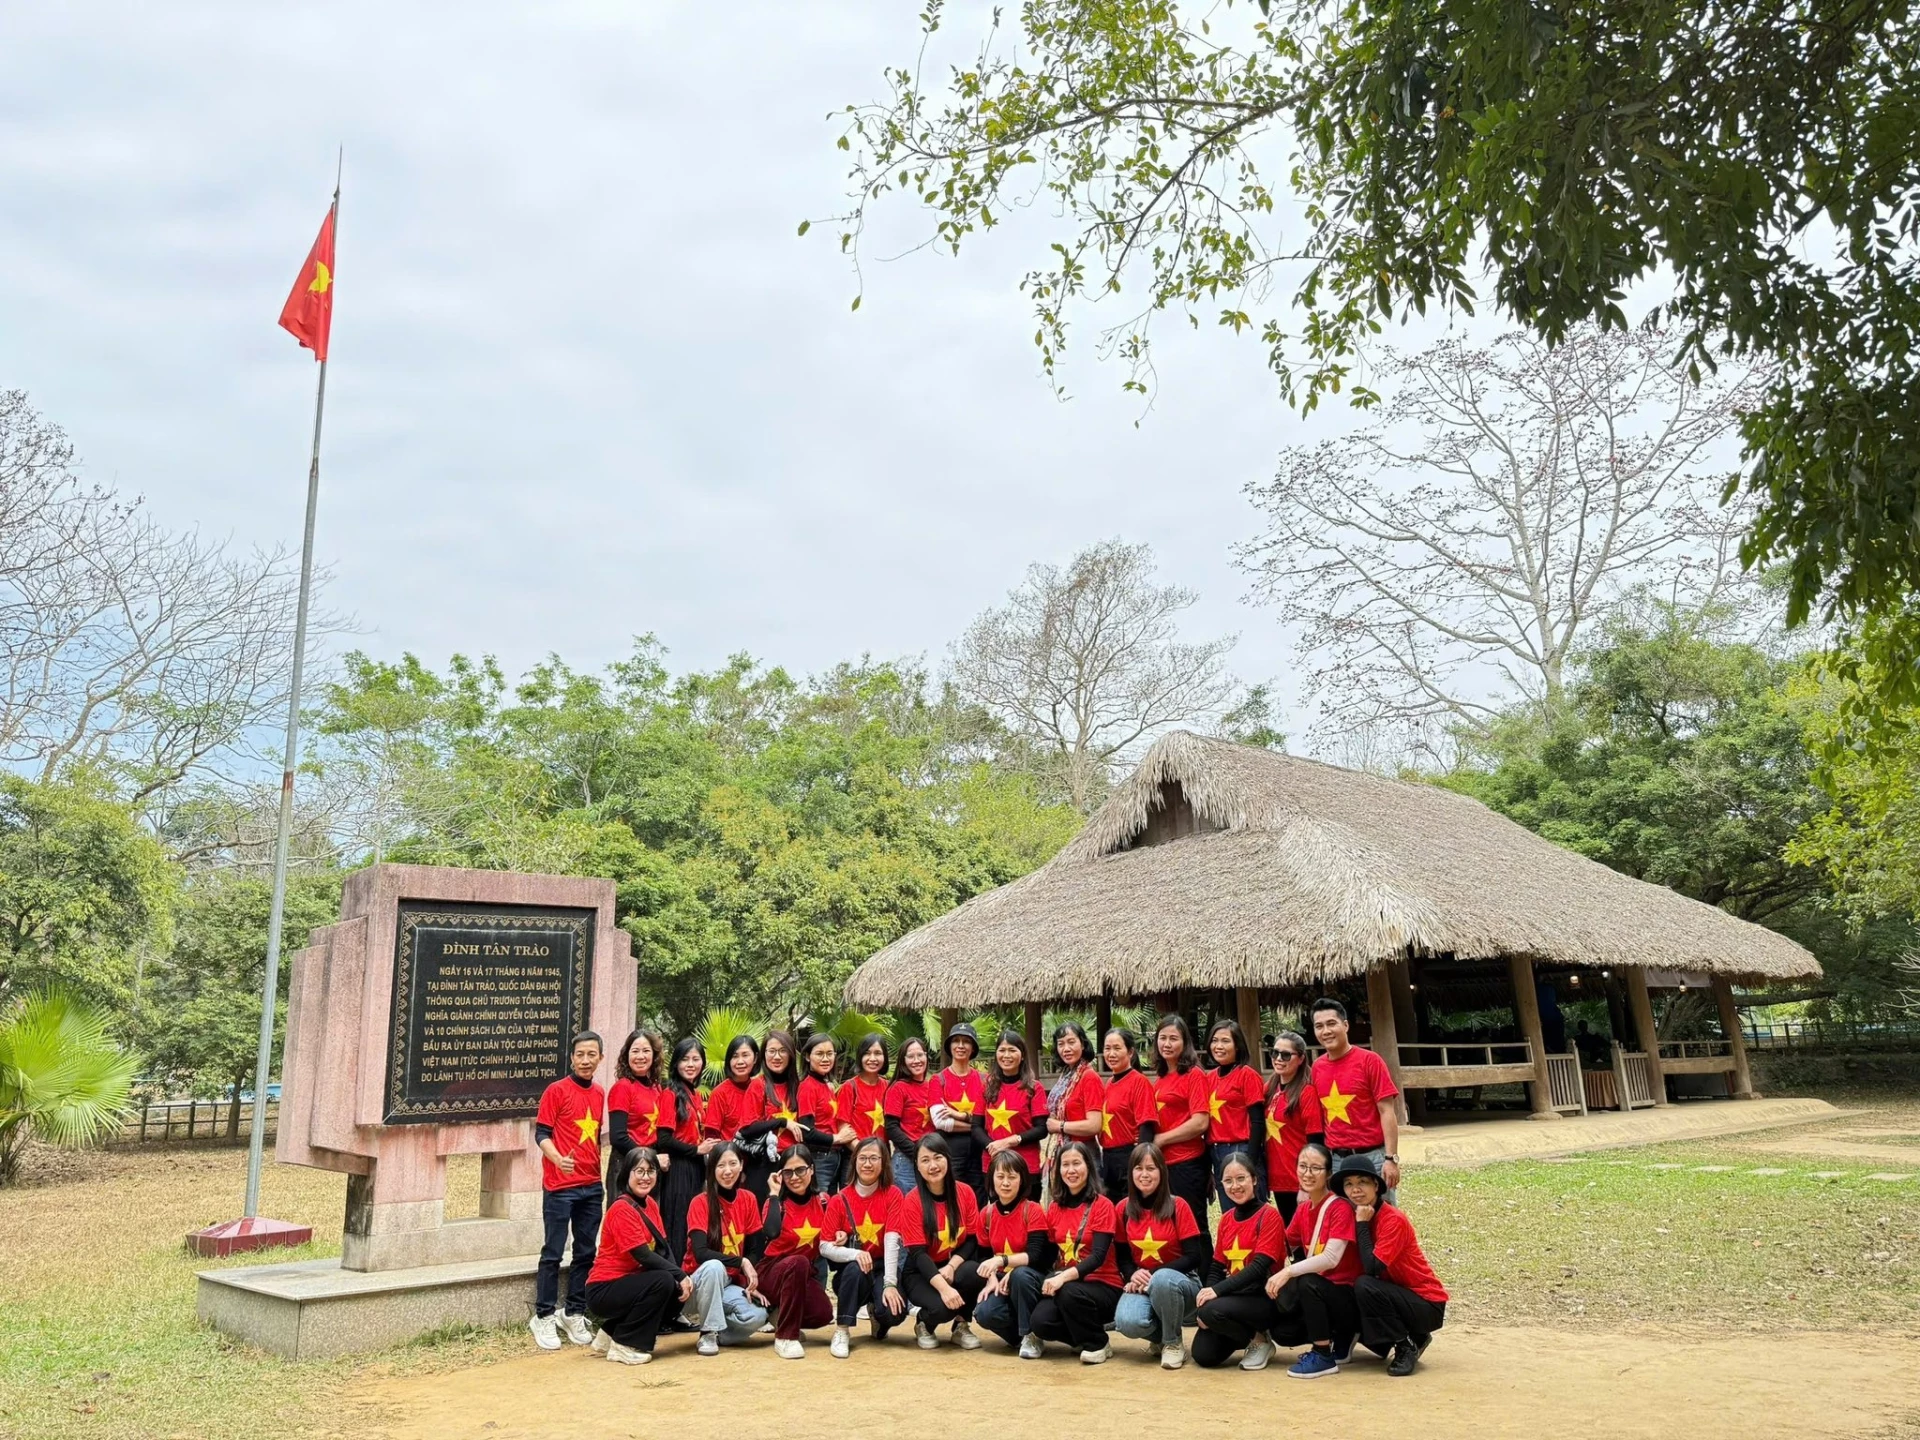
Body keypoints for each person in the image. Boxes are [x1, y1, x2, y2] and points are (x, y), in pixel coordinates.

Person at [1337, 1153, 1448, 1376]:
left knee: (1364, 1284)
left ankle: (1405, 1345)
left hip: (1426, 1303)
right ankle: (1414, 1337)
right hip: (1396, 1294)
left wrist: (1361, 1225)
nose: (1355, 1189)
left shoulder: (1392, 1219)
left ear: (1376, 1185)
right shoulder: (1353, 1214)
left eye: (1362, 1182)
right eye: (1348, 1184)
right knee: (1347, 1294)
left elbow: (1372, 1268)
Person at [530, 1030, 606, 1350]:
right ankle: (543, 1315)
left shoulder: (601, 1093)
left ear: (600, 1058)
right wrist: (558, 1159)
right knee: (553, 1252)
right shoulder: (556, 1091)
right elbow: (541, 1133)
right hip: (560, 1187)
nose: (585, 1060)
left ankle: (573, 1311)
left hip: (591, 1186)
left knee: (586, 1252)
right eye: (580, 1055)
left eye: (592, 1054)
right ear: (572, 1058)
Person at [585, 1147, 690, 1364]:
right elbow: (642, 1254)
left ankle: (611, 1333)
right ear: (627, 1175)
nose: (645, 1177)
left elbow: (662, 1247)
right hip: (603, 1288)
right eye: (639, 1171)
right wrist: (677, 1274)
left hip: (628, 1283)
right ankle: (623, 1345)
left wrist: (681, 1279)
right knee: (663, 1281)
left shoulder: (650, 1204)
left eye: (650, 1171)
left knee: (671, 1286)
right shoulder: (621, 1208)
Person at [1268, 1141, 1361, 1378]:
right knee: (1283, 1332)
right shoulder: (1303, 1209)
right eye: (1302, 1166)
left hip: (1346, 1296)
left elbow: (1330, 1258)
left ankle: (1323, 1354)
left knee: (1306, 1281)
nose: (1307, 1174)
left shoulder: (1340, 1208)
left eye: (1316, 1168)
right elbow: (1283, 1243)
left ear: (1329, 1174)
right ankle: (1338, 1337)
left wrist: (1288, 1272)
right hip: (1324, 1295)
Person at [1112, 1143, 1208, 1369]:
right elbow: (1123, 1256)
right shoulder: (1123, 1209)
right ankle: (1163, 1337)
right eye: (1138, 1168)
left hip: (1182, 1284)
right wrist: (1132, 1276)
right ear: (1131, 1172)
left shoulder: (1178, 1205)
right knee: (1126, 1322)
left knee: (1163, 1278)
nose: (1144, 1174)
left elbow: (1194, 1256)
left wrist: (1152, 1275)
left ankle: (1174, 1344)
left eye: (1151, 1168)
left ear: (1162, 1172)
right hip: (1142, 1284)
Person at [1027, 1140, 1123, 1363]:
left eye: (1076, 1163)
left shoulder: (1103, 1205)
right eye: (1065, 1164)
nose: (1071, 1170)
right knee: (1040, 1323)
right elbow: (1048, 1256)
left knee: (1068, 1292)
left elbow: (1098, 1257)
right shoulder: (1054, 1208)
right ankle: (1086, 1335)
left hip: (1103, 1286)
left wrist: (1062, 1278)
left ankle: (1097, 1344)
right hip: (1066, 1287)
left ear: (1088, 1166)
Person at [1189, 1151, 1287, 1370]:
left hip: (1262, 1298)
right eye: (1228, 1180)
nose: (1235, 1186)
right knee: (1203, 1355)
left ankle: (1261, 1340)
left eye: (1241, 1178)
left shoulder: (1269, 1215)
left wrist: (1215, 1295)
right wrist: (1206, 1297)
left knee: (1211, 1311)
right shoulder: (1226, 1219)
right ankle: (1247, 1336)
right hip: (1233, 1299)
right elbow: (1216, 1266)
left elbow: (1260, 1267)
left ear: (1254, 1179)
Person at [894, 1134, 985, 1349]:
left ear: (947, 1158)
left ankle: (961, 1326)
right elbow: (917, 1253)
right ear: (916, 1165)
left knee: (975, 1271)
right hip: (920, 1270)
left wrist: (952, 1267)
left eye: (937, 1157)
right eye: (925, 1160)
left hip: (952, 1264)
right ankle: (924, 1324)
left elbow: (972, 1239)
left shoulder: (965, 1192)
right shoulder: (913, 1200)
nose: (933, 1165)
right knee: (943, 1308)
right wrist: (944, 1289)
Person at [821, 1135, 907, 1358]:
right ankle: (842, 1329)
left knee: (894, 1311)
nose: (867, 1164)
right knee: (856, 1268)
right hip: (852, 1273)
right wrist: (855, 1253)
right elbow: (824, 1246)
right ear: (854, 1161)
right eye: (862, 1158)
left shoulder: (893, 1194)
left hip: (882, 1267)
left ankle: (879, 1316)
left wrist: (889, 1283)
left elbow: (891, 1241)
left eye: (874, 1158)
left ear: (884, 1162)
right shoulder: (840, 1199)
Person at [680, 1142, 770, 1354]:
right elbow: (701, 1253)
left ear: (741, 1166)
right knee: (714, 1267)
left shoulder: (748, 1199)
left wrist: (750, 1280)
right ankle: (707, 1333)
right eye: (721, 1165)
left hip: (729, 1283)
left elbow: (755, 1249)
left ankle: (721, 1334)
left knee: (757, 1316)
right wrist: (742, 1262)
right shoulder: (699, 1202)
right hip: (695, 1286)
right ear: (712, 1169)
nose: (727, 1171)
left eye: (733, 1164)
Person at [1309, 997, 1402, 1202]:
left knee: (1381, 1219)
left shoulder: (1370, 1061)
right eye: (1319, 1026)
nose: (1326, 1031)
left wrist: (1391, 1158)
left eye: (1331, 1023)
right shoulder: (1317, 1067)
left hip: (1374, 1157)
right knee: (1344, 1223)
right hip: (1337, 1160)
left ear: (1345, 1025)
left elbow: (1387, 1111)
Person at [757, 1144, 835, 1358]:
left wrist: (841, 1236)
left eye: (800, 1170)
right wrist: (773, 1193)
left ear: (811, 1169)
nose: (795, 1177)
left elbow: (833, 1237)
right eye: (788, 1172)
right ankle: (785, 1336)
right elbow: (771, 1232)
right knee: (798, 1261)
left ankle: (778, 1315)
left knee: (823, 1314)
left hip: (802, 1273)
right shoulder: (776, 1203)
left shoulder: (824, 1201)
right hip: (771, 1273)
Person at [969, 1150, 1051, 1352]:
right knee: (983, 1313)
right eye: (1000, 1176)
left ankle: (1031, 1336)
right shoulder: (986, 1214)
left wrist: (1003, 1263)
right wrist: (991, 1280)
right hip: (1002, 1280)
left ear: (1022, 1180)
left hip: (1031, 1278)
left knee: (1021, 1276)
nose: (1006, 1183)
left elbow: (1036, 1256)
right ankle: (1019, 1336)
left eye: (1012, 1177)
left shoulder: (1032, 1210)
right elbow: (983, 1256)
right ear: (992, 1179)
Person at [1150, 1016, 1213, 1231]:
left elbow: (1200, 1122)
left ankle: (1204, 1266)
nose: (1167, 1044)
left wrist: (1162, 1139)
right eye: (1162, 1038)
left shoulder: (1194, 1075)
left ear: (1185, 1042)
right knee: (1171, 1224)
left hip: (1187, 1162)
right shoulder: (1159, 1079)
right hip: (1163, 1163)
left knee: (1194, 1224)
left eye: (1173, 1039)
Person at [606, 1028, 672, 1210]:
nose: (640, 1056)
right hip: (626, 1164)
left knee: (649, 1224)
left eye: (646, 1051)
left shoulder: (657, 1088)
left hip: (651, 1164)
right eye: (635, 1051)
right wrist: (650, 1159)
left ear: (654, 1055)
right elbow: (618, 1137)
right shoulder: (623, 1088)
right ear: (626, 1055)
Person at [1204, 1020, 1268, 1209]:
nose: (1218, 1046)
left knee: (1252, 1210)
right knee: (1230, 1212)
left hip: (1242, 1148)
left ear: (1238, 1045)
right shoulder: (1209, 1078)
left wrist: (1250, 1161)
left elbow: (1257, 1121)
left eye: (1225, 1041)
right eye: (1214, 1041)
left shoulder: (1247, 1075)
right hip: (1216, 1151)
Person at [977, 1032, 1048, 1198]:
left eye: (1012, 1050)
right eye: (1002, 1050)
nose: (1006, 1055)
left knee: (1028, 1216)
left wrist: (1009, 1141)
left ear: (1022, 1055)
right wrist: (992, 1146)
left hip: (1026, 1165)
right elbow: (976, 1127)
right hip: (994, 1165)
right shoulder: (986, 1086)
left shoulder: (1033, 1088)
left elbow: (1041, 1129)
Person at [1264, 1029, 1324, 1226]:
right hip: (1278, 1179)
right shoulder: (1270, 1088)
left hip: (1299, 1179)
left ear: (1300, 1058)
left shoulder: (1306, 1092)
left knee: (1308, 1239)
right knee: (1292, 1238)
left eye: (1286, 1054)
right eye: (1275, 1053)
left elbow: (1315, 1141)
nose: (1278, 1058)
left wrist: (1306, 1185)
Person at [661, 1037, 709, 1261]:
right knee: (678, 1222)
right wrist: (696, 1150)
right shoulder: (670, 1093)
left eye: (695, 1059)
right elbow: (663, 1139)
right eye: (684, 1059)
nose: (690, 1064)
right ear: (676, 1064)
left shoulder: (696, 1095)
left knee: (695, 1222)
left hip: (697, 1167)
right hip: (679, 1168)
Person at [703, 1034, 771, 1194]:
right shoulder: (720, 1093)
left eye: (745, 1055)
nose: (740, 1061)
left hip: (759, 1166)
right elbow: (712, 1137)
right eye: (735, 1056)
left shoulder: (763, 1087)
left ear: (755, 1058)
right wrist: (731, 1168)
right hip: (729, 1170)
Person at [1096, 1028, 1156, 1200]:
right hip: (1108, 1157)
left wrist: (1139, 1163)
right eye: (1107, 1048)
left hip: (1129, 1155)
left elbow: (1146, 1126)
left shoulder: (1139, 1082)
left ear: (1130, 1052)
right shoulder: (1108, 1083)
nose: (1111, 1054)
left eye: (1117, 1048)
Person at [929, 1024, 986, 1201]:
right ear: (949, 1047)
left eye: (966, 1042)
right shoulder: (938, 1080)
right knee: (953, 1195)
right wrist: (976, 1127)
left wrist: (959, 1116)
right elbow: (941, 1122)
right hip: (950, 1149)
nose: (960, 1046)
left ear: (973, 1048)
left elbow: (989, 1118)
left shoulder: (985, 1079)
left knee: (980, 1196)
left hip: (979, 1150)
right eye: (956, 1041)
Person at [1044, 1023, 1105, 1161]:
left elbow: (1094, 1125)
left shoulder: (1089, 1077)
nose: (1066, 1049)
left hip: (1083, 1153)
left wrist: (1060, 1126)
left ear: (1083, 1045)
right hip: (1062, 1150)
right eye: (1061, 1044)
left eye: (1071, 1042)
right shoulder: (1066, 1075)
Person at [882, 1036, 933, 1195]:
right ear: (903, 1061)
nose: (916, 1060)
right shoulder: (898, 1088)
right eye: (911, 1056)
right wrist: (917, 1152)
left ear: (926, 1056)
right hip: (906, 1161)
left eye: (920, 1055)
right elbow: (891, 1129)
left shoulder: (932, 1086)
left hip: (930, 1158)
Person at [798, 1033, 845, 1194]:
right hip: (819, 1157)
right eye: (819, 1054)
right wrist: (836, 1138)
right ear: (807, 1057)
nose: (825, 1059)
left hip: (835, 1156)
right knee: (820, 1204)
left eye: (829, 1054)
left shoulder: (827, 1085)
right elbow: (806, 1131)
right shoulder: (807, 1087)